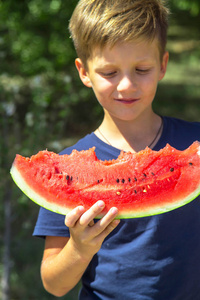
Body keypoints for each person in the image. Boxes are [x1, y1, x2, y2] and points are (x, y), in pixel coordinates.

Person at [33, 0, 200, 299]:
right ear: (84, 72)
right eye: (109, 73)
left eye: (142, 69)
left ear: (162, 65)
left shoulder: (195, 147)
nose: (126, 85)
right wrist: (80, 248)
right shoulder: (65, 170)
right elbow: (53, 284)